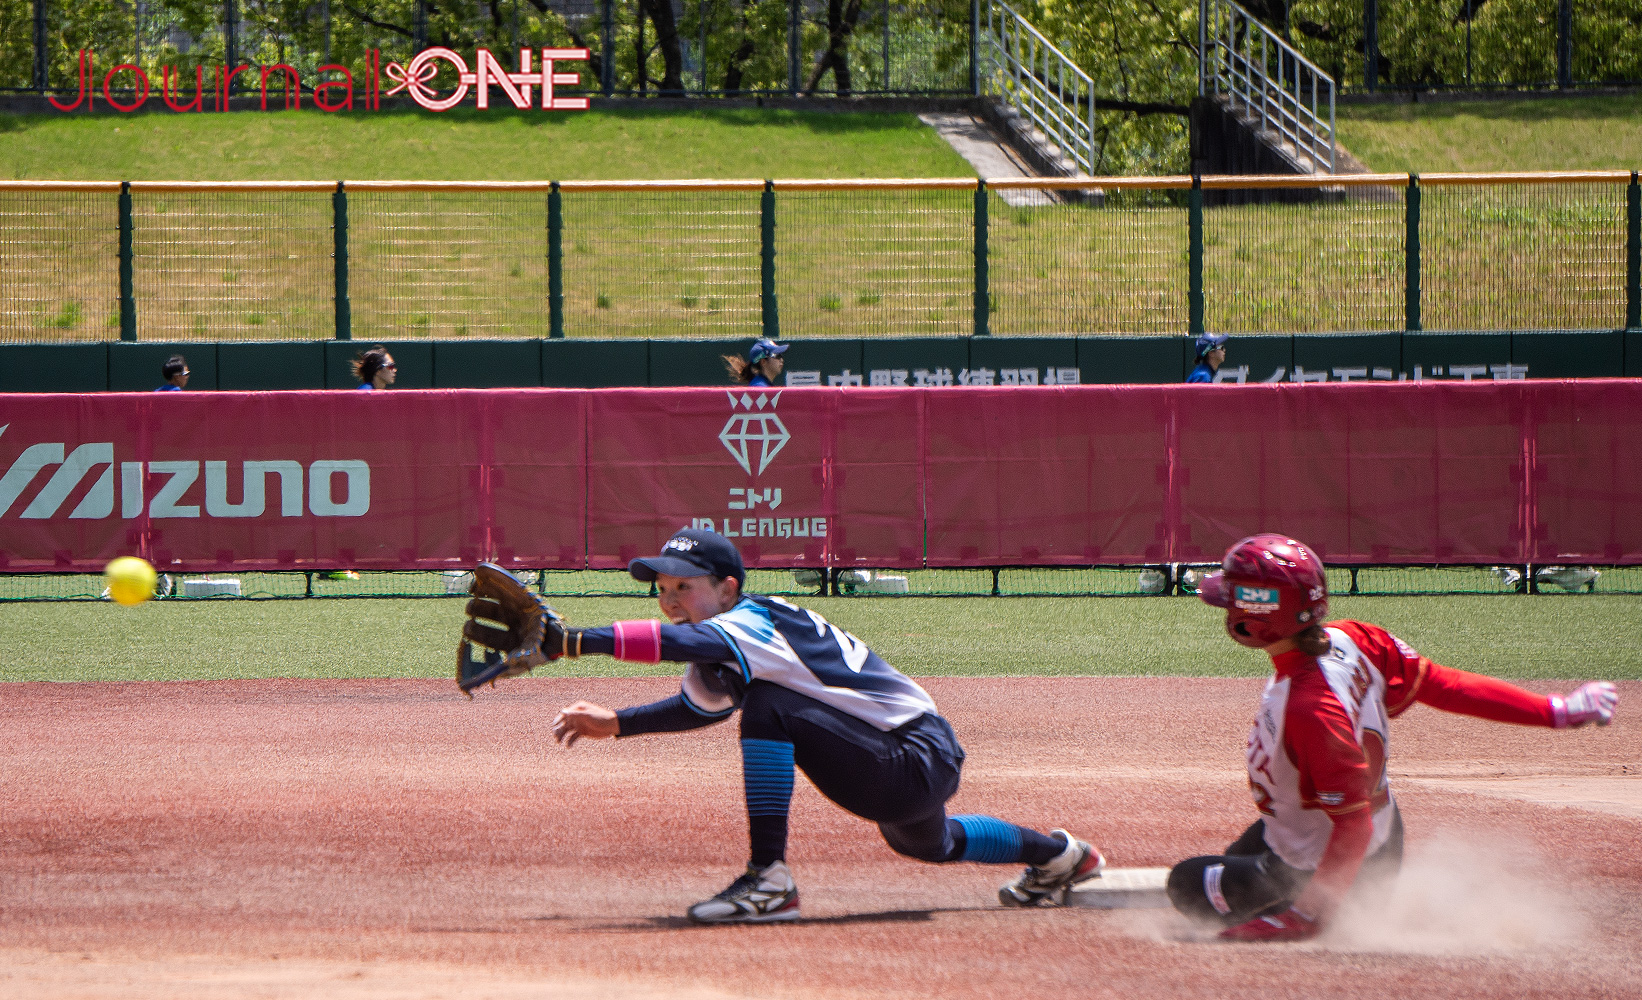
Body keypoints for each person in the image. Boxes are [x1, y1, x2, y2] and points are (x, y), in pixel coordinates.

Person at [506, 529, 1104, 923]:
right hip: (909, 758)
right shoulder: (736, 642)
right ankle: (1060, 855)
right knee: (927, 842)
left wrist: (575, 641)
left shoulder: (754, 621)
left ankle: (769, 880)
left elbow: (679, 643)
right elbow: (701, 706)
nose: (668, 599)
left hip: (911, 754)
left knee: (768, 706)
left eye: (682, 585)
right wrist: (620, 724)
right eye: (662, 589)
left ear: (727, 587)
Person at [1167, 533, 1619, 942]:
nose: (1227, 607)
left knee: (1188, 885)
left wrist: (1305, 916)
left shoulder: (1308, 708)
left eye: (1235, 600)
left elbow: (1352, 825)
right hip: (1373, 837)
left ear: (1259, 620)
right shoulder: (1354, 639)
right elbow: (1445, 685)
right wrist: (1555, 710)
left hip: (1339, 863)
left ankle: (1318, 908)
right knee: (1239, 853)